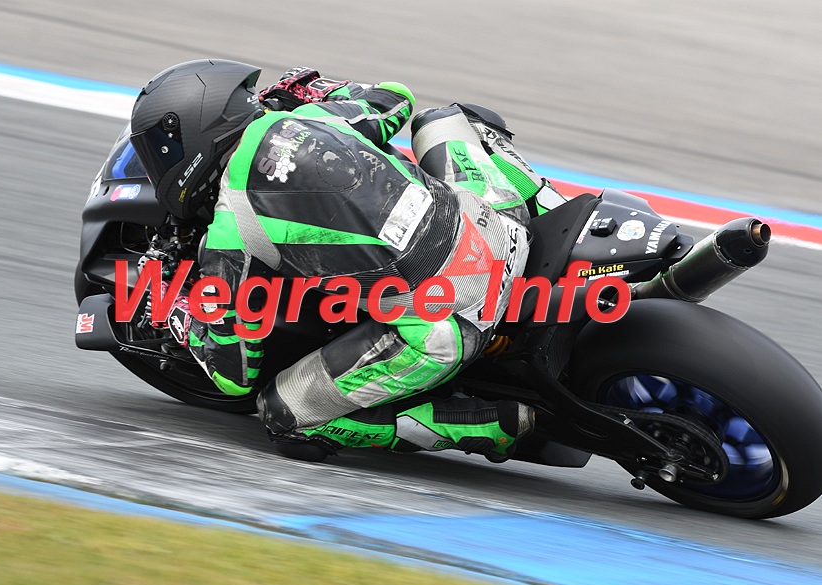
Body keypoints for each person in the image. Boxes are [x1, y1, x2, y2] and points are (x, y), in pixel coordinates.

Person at [129, 59, 567, 462]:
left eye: (160, 151)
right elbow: (396, 98)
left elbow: (234, 376)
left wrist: (179, 313)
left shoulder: (231, 228)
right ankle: (561, 211)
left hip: (455, 320)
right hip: (501, 222)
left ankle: (491, 424)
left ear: (193, 137)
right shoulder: (311, 117)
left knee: (283, 414)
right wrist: (314, 92)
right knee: (445, 119)